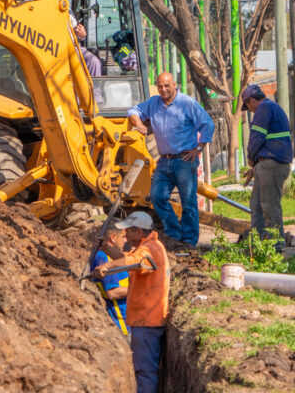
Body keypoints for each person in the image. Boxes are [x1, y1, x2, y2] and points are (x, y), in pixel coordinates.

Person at [127, 72, 214, 247]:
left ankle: (189, 240)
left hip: (184, 161)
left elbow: (208, 124)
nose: (163, 89)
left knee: (188, 201)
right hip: (164, 160)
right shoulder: (154, 103)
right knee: (157, 196)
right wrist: (139, 123)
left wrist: (198, 149)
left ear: (174, 85)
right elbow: (132, 111)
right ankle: (174, 235)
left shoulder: (186, 103)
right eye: (160, 86)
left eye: (167, 86)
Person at [91, 212, 169, 393]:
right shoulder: (151, 246)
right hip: (148, 319)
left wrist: (106, 266)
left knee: (144, 372)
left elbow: (134, 260)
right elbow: (130, 258)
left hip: (147, 320)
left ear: (139, 231)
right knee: (145, 370)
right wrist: (107, 249)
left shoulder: (148, 250)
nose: (126, 237)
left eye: (129, 233)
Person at [241, 84, 292, 248]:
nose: (250, 111)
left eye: (248, 106)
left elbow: (257, 137)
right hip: (268, 164)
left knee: (269, 206)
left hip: (271, 165)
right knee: (256, 205)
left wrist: (250, 157)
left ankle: (275, 245)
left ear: (251, 101)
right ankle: (258, 243)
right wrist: (256, 167)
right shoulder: (273, 108)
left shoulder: (263, 108)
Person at [90, 224, 130, 336]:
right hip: (123, 324)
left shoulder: (114, 256)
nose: (126, 240)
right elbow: (112, 292)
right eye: (123, 236)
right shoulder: (104, 258)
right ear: (113, 237)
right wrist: (141, 289)